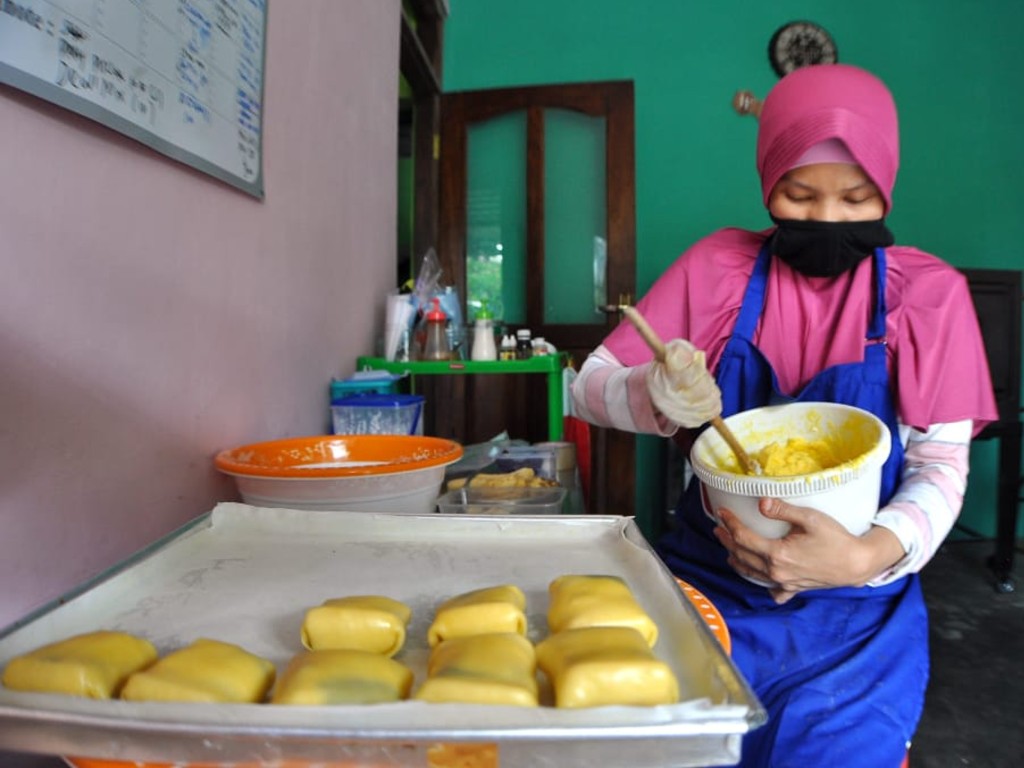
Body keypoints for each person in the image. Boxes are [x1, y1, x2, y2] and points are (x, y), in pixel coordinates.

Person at [571, 63, 998, 767]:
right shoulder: (719, 269)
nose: (827, 219)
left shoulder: (927, 296)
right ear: (768, 182)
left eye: (856, 197)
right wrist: (656, 392)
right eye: (799, 195)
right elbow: (585, 389)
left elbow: (939, 466)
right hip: (708, 593)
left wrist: (865, 556)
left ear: (886, 188)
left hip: (858, 618)